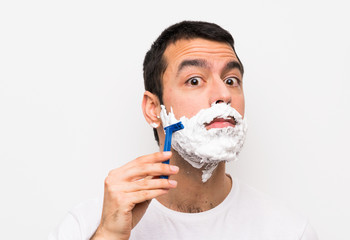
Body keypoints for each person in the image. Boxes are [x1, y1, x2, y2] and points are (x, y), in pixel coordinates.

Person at [49, 20, 318, 240]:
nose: (223, 94)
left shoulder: (289, 231)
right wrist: (108, 235)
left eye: (231, 80)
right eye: (194, 80)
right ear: (154, 109)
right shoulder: (85, 226)